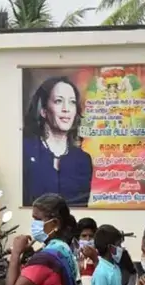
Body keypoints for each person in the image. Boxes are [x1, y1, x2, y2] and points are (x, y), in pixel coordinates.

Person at [22, 77, 93, 207]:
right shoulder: (25, 151)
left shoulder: (83, 160)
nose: (66, 109)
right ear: (43, 110)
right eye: (59, 101)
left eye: (72, 102)